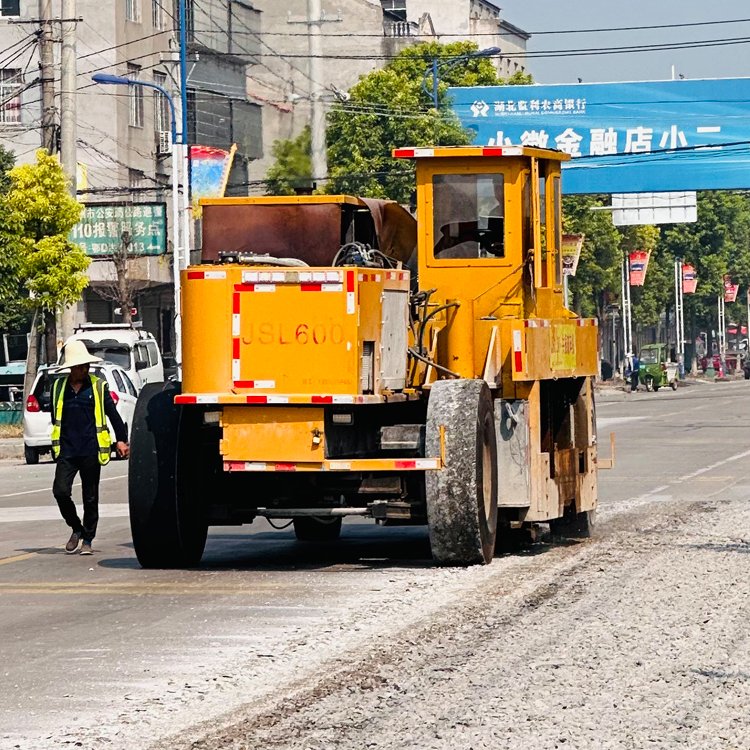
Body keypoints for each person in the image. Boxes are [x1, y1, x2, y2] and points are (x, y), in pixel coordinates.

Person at [50, 340, 129, 555]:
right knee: (60, 491)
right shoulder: (58, 387)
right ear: (71, 368)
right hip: (67, 450)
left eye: (86, 366)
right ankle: (76, 528)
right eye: (79, 367)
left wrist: (121, 439)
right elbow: (55, 419)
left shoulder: (97, 386)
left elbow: (113, 415)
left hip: (91, 450)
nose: (83, 370)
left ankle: (88, 539)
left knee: (90, 497)